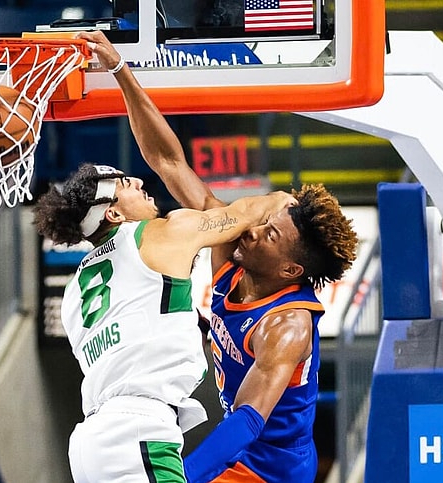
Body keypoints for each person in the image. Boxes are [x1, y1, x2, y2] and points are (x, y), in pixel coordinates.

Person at [77, 30, 359, 482]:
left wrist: (188, 476)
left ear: (290, 269)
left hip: (270, 472)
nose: (253, 229)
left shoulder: (288, 324)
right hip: (233, 452)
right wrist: (120, 73)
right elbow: (170, 164)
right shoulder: (234, 255)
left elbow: (247, 420)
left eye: (269, 234)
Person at [33, 162, 294, 479]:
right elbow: (243, 215)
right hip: (138, 431)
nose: (138, 181)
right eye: (124, 183)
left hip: (91, 441)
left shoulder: (74, 292)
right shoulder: (160, 233)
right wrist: (282, 201)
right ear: (113, 214)